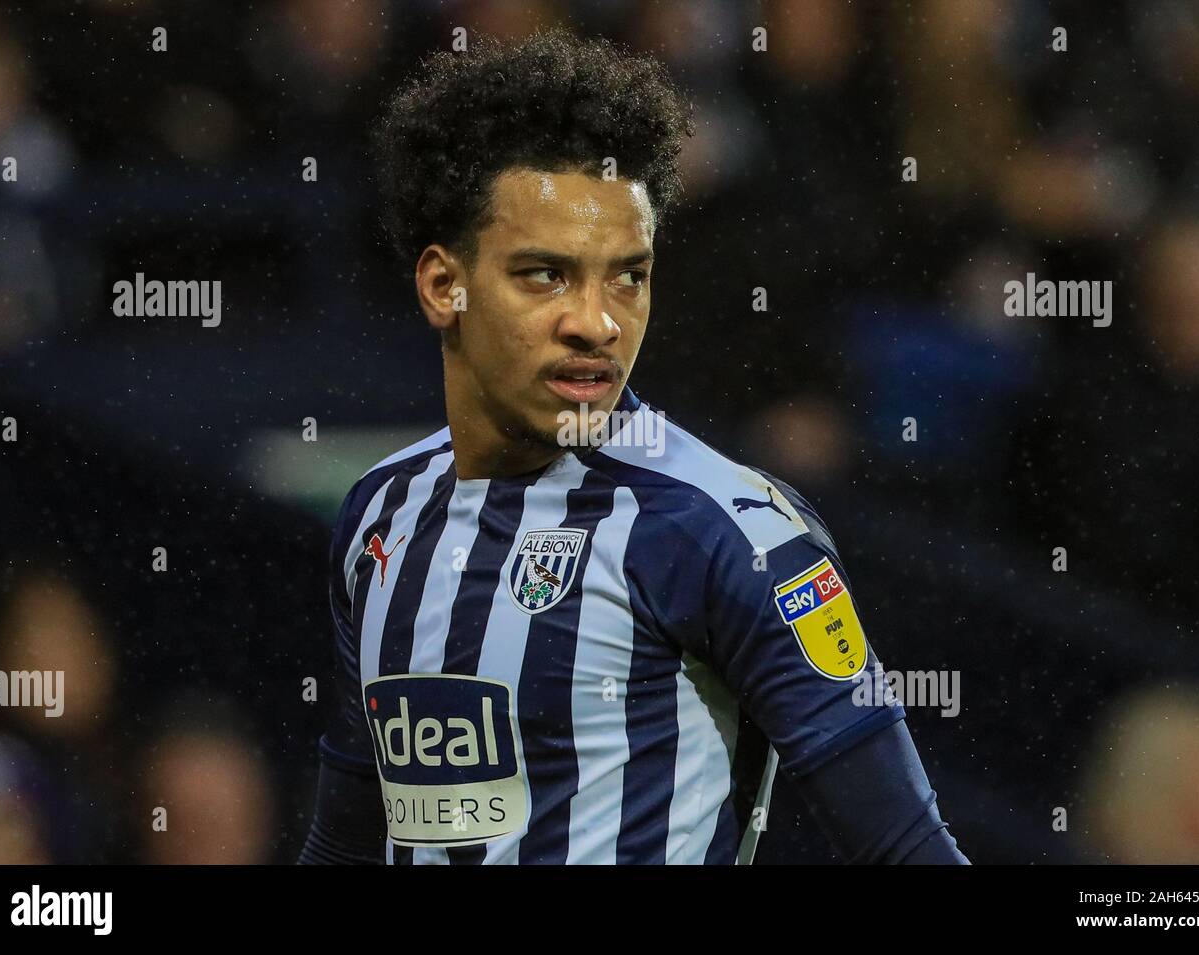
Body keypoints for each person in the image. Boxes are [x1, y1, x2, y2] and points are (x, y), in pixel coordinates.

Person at [299, 30, 967, 865]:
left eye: (628, 275)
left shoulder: (729, 534)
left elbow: (907, 849)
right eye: (545, 274)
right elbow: (348, 840)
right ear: (445, 285)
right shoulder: (379, 514)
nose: (598, 321)